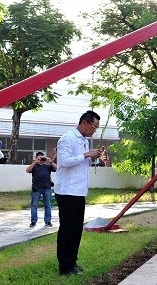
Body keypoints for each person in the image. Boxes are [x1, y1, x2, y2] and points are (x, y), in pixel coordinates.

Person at [54, 110, 102, 276]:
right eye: (94, 127)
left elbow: (83, 163)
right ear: (84, 123)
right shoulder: (67, 138)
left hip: (79, 191)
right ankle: (65, 267)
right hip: (67, 191)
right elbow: (64, 162)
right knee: (67, 229)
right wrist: (86, 154)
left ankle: (72, 262)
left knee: (76, 230)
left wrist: (93, 157)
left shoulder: (83, 140)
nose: (94, 130)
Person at [26, 151, 57, 227]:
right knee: (34, 205)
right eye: (38, 157)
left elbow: (56, 168)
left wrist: (50, 161)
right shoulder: (34, 166)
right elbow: (27, 170)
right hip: (36, 188)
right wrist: (35, 162)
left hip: (47, 187)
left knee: (48, 205)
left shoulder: (48, 166)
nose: (41, 159)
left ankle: (48, 221)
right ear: (36, 158)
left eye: (42, 157)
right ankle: (33, 221)